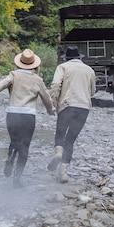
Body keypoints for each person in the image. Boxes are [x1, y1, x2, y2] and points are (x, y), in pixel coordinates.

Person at [0, 48, 55, 188]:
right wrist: (51, 110)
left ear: (19, 63)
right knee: (25, 147)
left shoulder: (14, 75)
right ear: (35, 65)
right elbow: (46, 98)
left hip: (12, 114)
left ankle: (10, 157)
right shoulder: (37, 80)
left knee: (14, 141)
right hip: (28, 116)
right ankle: (17, 179)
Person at [47, 45, 96, 183]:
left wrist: (53, 103)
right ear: (79, 57)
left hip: (67, 105)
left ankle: (58, 153)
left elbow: (56, 85)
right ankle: (63, 173)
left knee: (60, 134)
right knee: (70, 139)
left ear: (67, 58)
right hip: (83, 107)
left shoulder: (63, 67)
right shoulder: (89, 70)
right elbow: (92, 92)